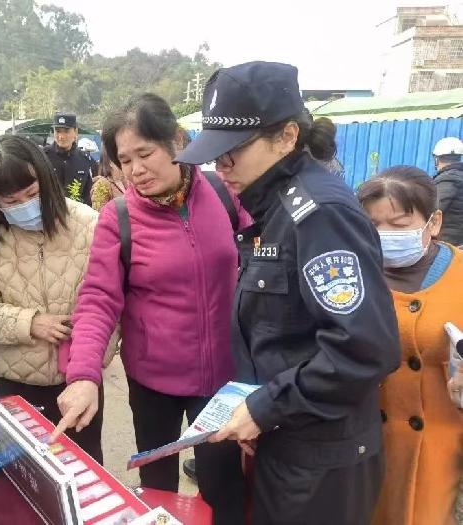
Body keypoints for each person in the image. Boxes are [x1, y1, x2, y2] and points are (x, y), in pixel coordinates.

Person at [175, 62, 401, 525]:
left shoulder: (319, 213)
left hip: (321, 459)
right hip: (290, 440)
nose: (221, 166)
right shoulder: (273, 206)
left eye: (234, 150)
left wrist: (263, 408)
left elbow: (364, 348)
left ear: (286, 136)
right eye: (216, 153)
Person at [53, 93, 252, 524]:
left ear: (176, 141)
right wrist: (83, 375)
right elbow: (98, 300)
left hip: (222, 380)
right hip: (152, 384)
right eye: (124, 160)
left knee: (224, 488)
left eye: (145, 154)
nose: (136, 170)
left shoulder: (224, 194)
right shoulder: (118, 218)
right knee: (158, 491)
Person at [0, 135, 116, 464]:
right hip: (17, 382)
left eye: (32, 194)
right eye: (11, 201)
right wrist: (29, 323)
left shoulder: (89, 225)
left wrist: (94, 359)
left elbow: (111, 301)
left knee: (84, 466)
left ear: (47, 180)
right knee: (26, 470)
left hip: (78, 379)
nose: (25, 206)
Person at [355, 166, 463, 525]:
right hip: (365, 444)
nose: (385, 235)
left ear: (434, 223)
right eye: (373, 225)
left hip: (440, 448)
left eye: (399, 225)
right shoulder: (351, 274)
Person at [43, 113, 97, 206]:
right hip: (49, 211)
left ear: (75, 132)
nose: (61, 136)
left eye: (66, 131)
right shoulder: (43, 156)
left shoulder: (85, 160)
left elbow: (89, 195)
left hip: (77, 212)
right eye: (58, 131)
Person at [432, 136, 463, 246]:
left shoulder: (448, 179)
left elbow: (433, 208)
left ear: (437, 159)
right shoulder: (459, 176)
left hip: (449, 243)